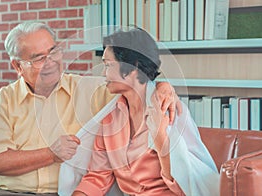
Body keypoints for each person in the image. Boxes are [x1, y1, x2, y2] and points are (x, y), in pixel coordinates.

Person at [0, 21, 181, 195]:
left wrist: (163, 86)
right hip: (9, 193)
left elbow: (135, 83)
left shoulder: (95, 90)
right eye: (39, 58)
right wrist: (50, 154)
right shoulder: (2, 102)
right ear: (17, 66)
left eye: (54, 51)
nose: (51, 63)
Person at [72, 28, 220, 196]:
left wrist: (160, 139)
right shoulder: (109, 120)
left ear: (133, 66)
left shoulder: (170, 110)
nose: (103, 73)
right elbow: (97, 177)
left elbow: (187, 182)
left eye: (108, 65)